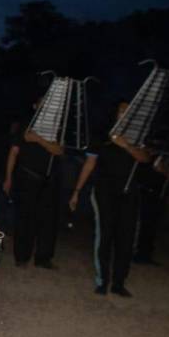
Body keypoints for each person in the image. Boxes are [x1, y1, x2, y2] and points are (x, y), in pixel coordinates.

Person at [69, 101, 153, 297]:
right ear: (115, 112)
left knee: (126, 238)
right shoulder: (101, 135)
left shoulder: (138, 135)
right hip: (104, 191)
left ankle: (118, 283)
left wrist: (126, 145)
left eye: (128, 110)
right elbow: (89, 164)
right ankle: (102, 281)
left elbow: (145, 158)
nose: (124, 113)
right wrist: (77, 190)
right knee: (104, 236)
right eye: (121, 109)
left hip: (129, 192)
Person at [4, 96, 65, 268]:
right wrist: (8, 177)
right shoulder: (27, 124)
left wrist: (39, 139)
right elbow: (14, 151)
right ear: (35, 105)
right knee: (25, 218)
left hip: (50, 179)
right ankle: (22, 257)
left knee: (48, 220)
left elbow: (58, 150)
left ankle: (43, 258)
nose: (45, 106)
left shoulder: (57, 126)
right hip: (27, 177)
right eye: (41, 103)